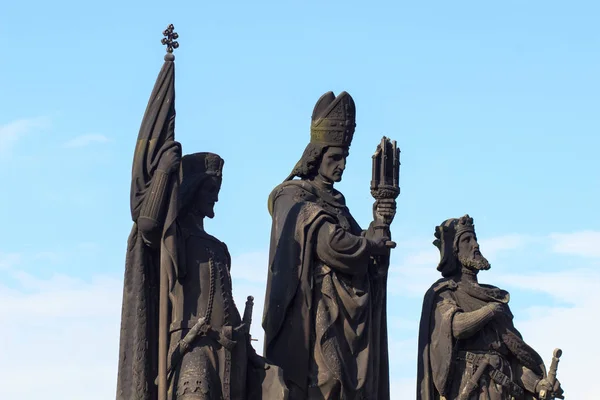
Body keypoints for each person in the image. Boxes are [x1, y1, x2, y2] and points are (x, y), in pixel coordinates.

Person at [262, 91, 395, 399]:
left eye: (345, 157)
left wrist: (380, 223)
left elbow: (364, 248)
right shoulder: (293, 195)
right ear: (316, 155)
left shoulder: (339, 205)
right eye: (335, 157)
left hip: (349, 321)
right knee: (327, 382)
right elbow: (330, 243)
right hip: (317, 311)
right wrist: (370, 243)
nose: (342, 165)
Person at [417, 214, 564, 400]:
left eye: (475, 239)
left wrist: (537, 384)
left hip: (502, 391)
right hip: (469, 387)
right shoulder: (446, 292)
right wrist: (490, 311)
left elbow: (514, 360)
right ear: (454, 251)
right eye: (467, 240)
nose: (475, 245)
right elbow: (456, 327)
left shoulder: (494, 297)